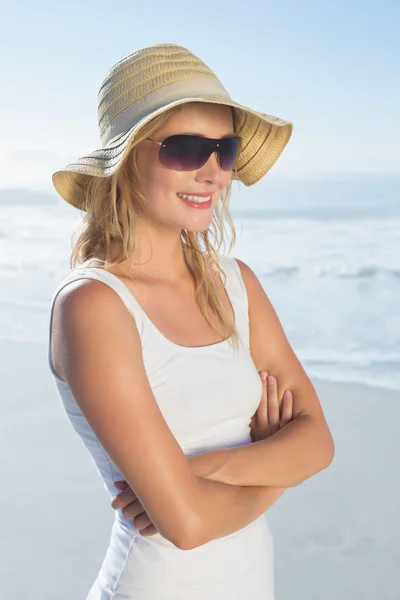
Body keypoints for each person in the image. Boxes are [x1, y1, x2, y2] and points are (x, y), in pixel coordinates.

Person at [48, 43, 334, 599]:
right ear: (127, 156)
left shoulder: (235, 283)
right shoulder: (93, 305)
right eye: (185, 149)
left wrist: (211, 468)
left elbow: (320, 443)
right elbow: (187, 526)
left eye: (224, 150)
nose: (211, 173)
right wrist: (276, 462)